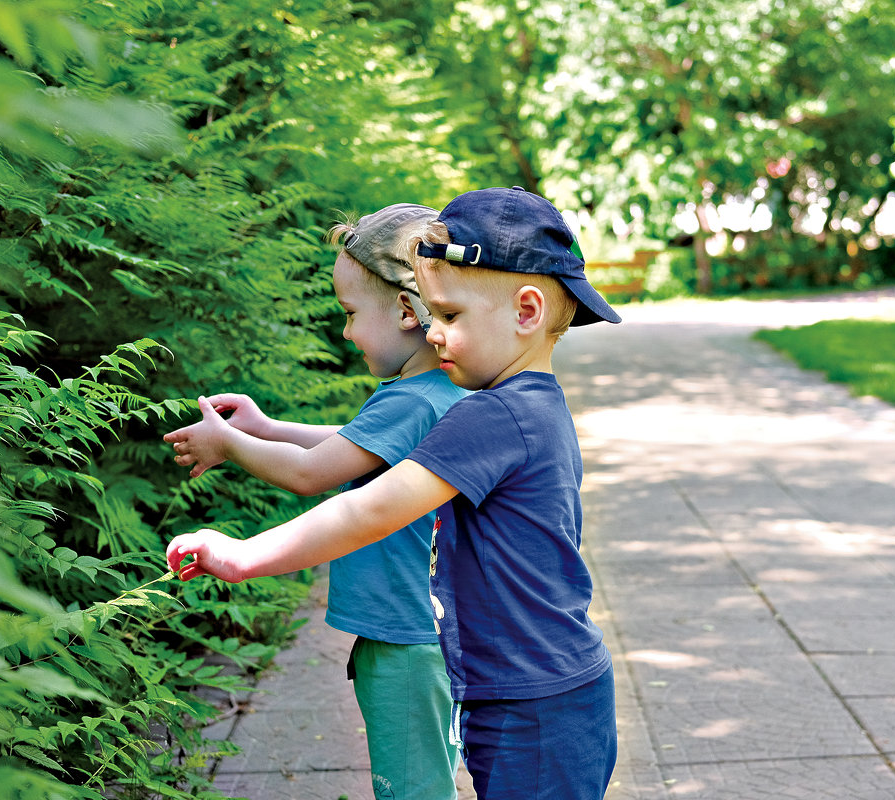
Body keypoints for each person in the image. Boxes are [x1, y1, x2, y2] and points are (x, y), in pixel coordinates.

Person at [166, 186, 622, 800]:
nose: (434, 334)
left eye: (452, 317)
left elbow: (367, 507)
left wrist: (244, 557)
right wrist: (270, 432)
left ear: (526, 312)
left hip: (532, 700)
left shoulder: (494, 418)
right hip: (538, 688)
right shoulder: (523, 407)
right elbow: (375, 450)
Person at [163, 203, 469, 800]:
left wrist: (227, 442)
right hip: (437, 635)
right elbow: (351, 448)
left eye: (352, 314)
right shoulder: (437, 393)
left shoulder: (407, 401)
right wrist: (266, 427)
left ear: (407, 311)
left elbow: (311, 474)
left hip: (404, 640)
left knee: (413, 792)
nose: (347, 332)